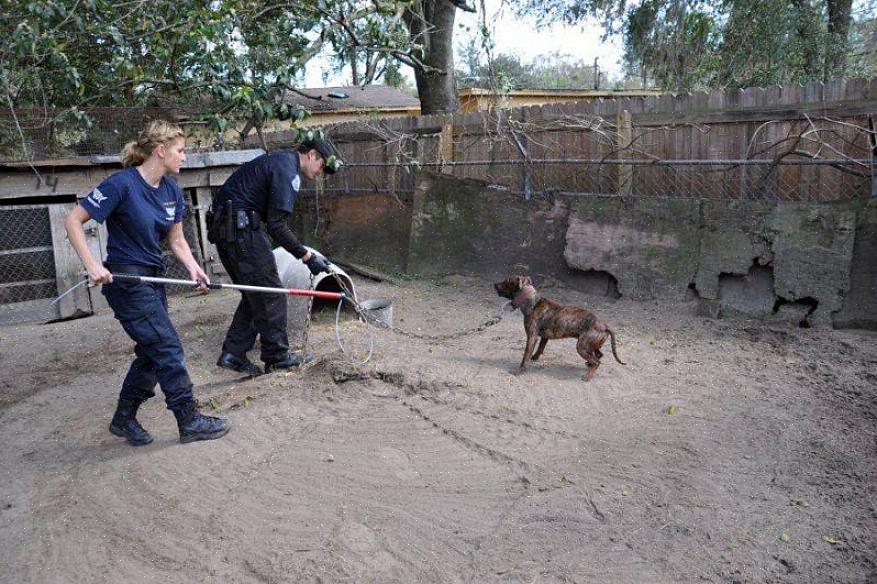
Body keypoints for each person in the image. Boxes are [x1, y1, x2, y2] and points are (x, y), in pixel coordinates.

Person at [65, 120, 229, 446]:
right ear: (160, 151)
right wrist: (93, 264)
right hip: (126, 280)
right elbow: (73, 219)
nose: (184, 157)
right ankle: (189, 419)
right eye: (180, 151)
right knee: (167, 346)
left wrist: (195, 268)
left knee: (153, 351)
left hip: (152, 278)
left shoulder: (171, 191)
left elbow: (178, 240)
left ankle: (124, 418)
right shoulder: (121, 185)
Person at [208, 130, 344, 376]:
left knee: (257, 293)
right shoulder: (288, 170)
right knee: (272, 294)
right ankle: (277, 357)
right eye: (322, 166)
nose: (321, 173)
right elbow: (277, 225)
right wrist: (307, 256)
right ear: (312, 154)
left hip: (227, 231)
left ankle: (233, 354)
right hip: (242, 231)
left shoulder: (279, 161)